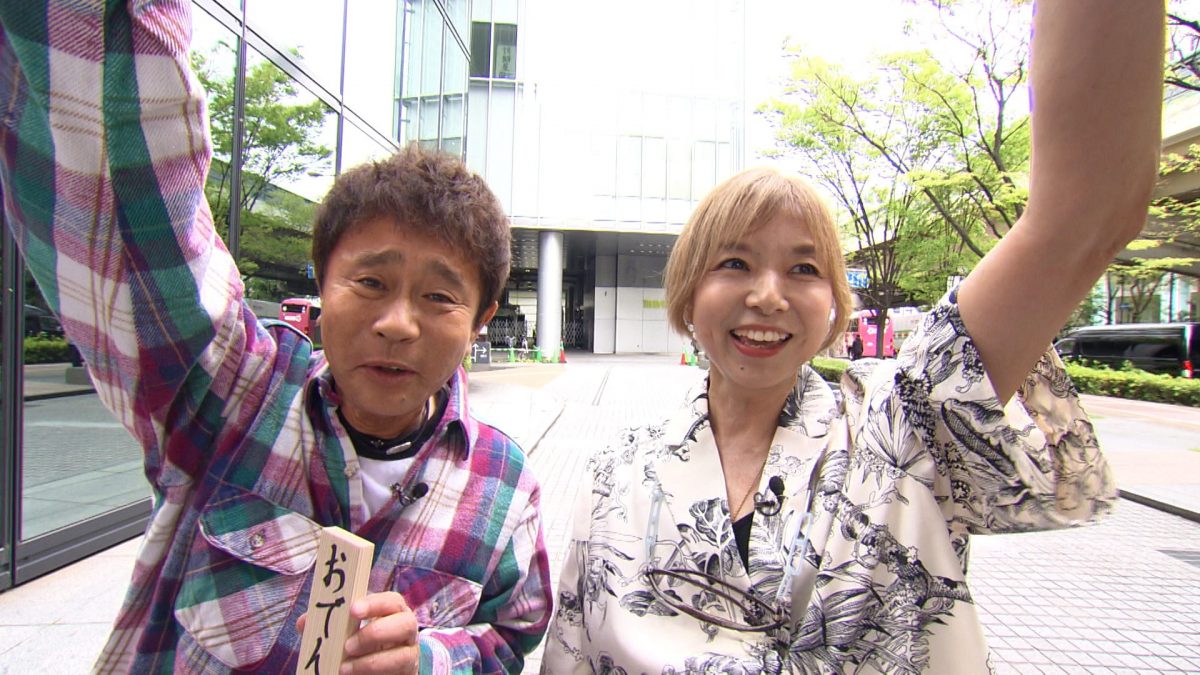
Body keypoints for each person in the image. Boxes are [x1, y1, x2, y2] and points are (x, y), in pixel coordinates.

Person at [542, 3, 1163, 673]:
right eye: (735, 262)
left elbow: (1084, 212)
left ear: (835, 308)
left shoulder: (904, 429)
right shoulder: (615, 474)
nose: (768, 294)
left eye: (804, 269)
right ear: (689, 294)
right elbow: (572, 651)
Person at [0, 2, 550, 673]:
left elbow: (510, 635)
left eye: (439, 297)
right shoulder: (232, 398)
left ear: (481, 315)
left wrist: (431, 658)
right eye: (369, 282)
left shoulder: (503, 483)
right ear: (322, 281)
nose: (398, 323)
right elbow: (136, 194)